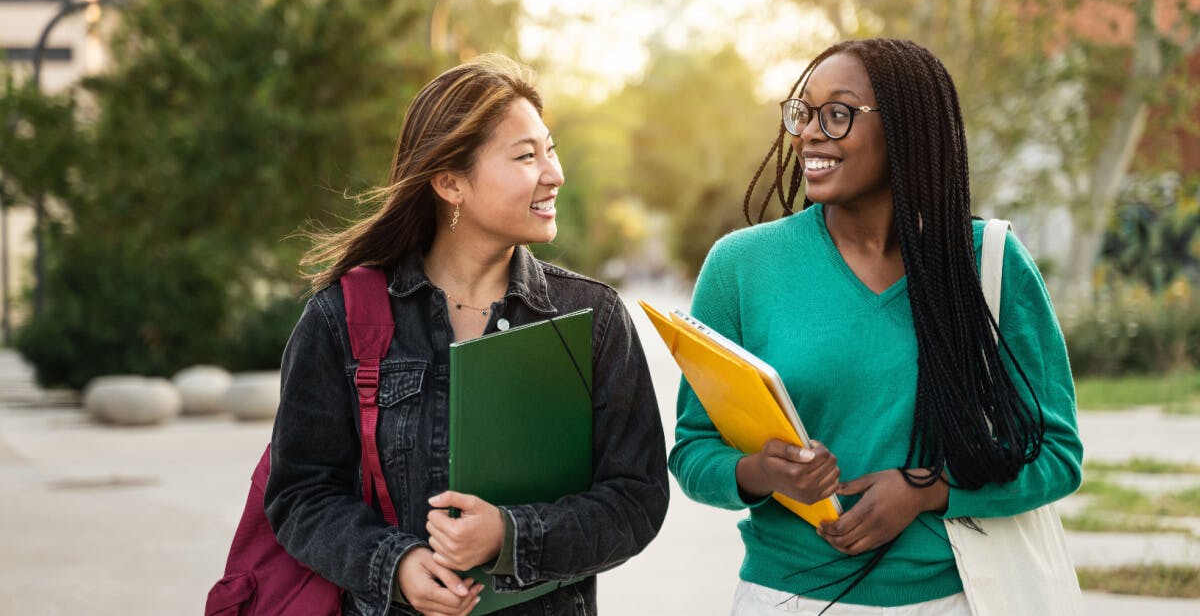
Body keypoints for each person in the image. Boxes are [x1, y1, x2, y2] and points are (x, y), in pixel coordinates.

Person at [669, 38, 1083, 614]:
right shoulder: (742, 266)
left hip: (955, 598)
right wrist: (761, 472)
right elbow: (692, 451)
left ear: (907, 130)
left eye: (838, 114)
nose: (810, 133)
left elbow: (1058, 455)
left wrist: (929, 490)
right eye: (802, 112)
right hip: (785, 598)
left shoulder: (990, 263)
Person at [265, 54, 669, 616]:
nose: (554, 173)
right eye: (526, 156)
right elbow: (299, 495)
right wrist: (396, 565)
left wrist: (510, 536)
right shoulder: (341, 318)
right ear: (450, 182)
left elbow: (637, 499)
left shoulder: (592, 318)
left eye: (549, 149)